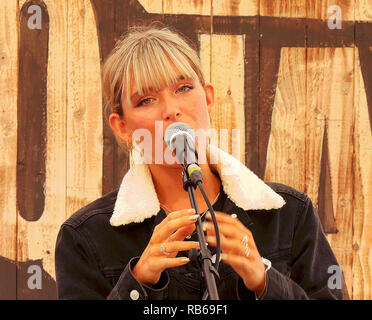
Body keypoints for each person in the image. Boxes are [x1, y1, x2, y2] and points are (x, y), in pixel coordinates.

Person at [55, 25, 344, 300]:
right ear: (122, 127)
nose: (171, 110)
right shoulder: (85, 237)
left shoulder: (289, 214)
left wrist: (264, 280)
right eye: (146, 100)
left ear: (207, 98)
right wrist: (137, 282)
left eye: (183, 88)